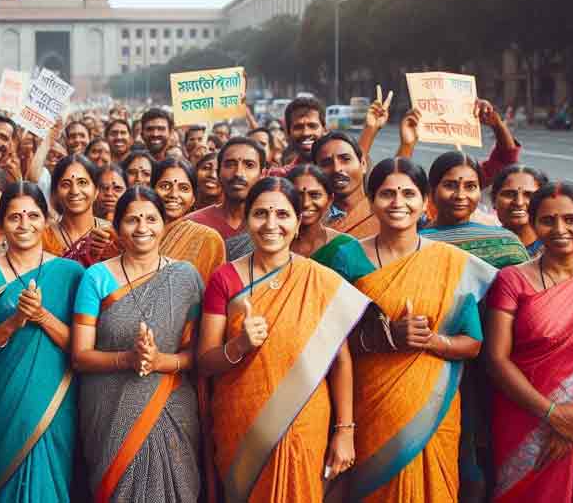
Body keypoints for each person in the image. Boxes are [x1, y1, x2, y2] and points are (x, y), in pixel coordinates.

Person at [197, 177, 369, 501]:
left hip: (304, 421)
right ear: (247, 219)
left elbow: (341, 361)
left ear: (298, 220)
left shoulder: (319, 280)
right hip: (241, 425)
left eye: (282, 215)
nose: (271, 224)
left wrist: (344, 431)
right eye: (261, 214)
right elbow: (204, 361)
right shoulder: (225, 278)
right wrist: (239, 345)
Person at [346, 157, 497, 502]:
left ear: (424, 200)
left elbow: (472, 343)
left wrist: (433, 341)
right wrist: (385, 339)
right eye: (387, 194)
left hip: (433, 408)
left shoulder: (449, 261)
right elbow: (331, 341)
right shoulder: (346, 258)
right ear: (370, 201)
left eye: (408, 193)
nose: (398, 203)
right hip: (370, 406)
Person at [486, 181, 573, 502]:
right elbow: (496, 360)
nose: (560, 229)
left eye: (571, 219)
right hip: (526, 421)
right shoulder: (512, 281)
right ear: (534, 224)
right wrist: (551, 413)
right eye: (547, 221)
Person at [72, 187, 203, 502]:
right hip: (109, 407)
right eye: (132, 220)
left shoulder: (186, 277)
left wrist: (160, 362)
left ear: (163, 224)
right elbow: (80, 356)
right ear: (116, 227)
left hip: (170, 403)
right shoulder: (96, 278)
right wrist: (129, 359)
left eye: (150, 219)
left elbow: (196, 355)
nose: (142, 228)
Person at [0, 181, 86, 502]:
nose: (24, 225)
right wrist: (14, 322)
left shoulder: (71, 273)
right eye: (15, 217)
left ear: (46, 221)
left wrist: (42, 316)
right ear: (1, 223)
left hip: (55, 402)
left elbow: (82, 348)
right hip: (1, 401)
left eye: (33, 216)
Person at [420, 151, 531, 269]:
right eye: (450, 185)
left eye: (470, 186)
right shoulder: (414, 244)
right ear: (432, 191)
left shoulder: (507, 244)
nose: (460, 195)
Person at [286, 164, 375, 282]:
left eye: (315, 195)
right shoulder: (272, 243)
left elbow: (371, 290)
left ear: (329, 200)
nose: (306, 203)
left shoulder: (345, 246)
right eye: (298, 195)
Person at [187, 137, 267, 261]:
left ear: (262, 174)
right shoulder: (193, 224)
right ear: (218, 172)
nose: (239, 173)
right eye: (230, 164)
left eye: (249, 165)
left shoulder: (270, 225)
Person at [151, 158, 225, 282]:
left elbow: (215, 292)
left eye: (184, 188)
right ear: (151, 191)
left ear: (193, 199)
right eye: (165, 186)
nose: (173, 194)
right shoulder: (134, 232)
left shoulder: (208, 239)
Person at [44, 154, 119, 268]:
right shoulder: (44, 238)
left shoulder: (112, 236)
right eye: (66, 184)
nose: (74, 191)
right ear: (55, 193)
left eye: (82, 182)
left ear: (96, 190)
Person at [313, 132, 381, 239]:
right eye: (326, 163)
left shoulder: (383, 213)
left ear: (363, 164)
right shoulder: (309, 219)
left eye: (345, 159)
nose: (337, 169)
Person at [490, 165, 549, 257]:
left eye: (529, 195)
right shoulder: (478, 247)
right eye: (509, 194)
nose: (519, 202)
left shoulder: (555, 252)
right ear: (493, 199)